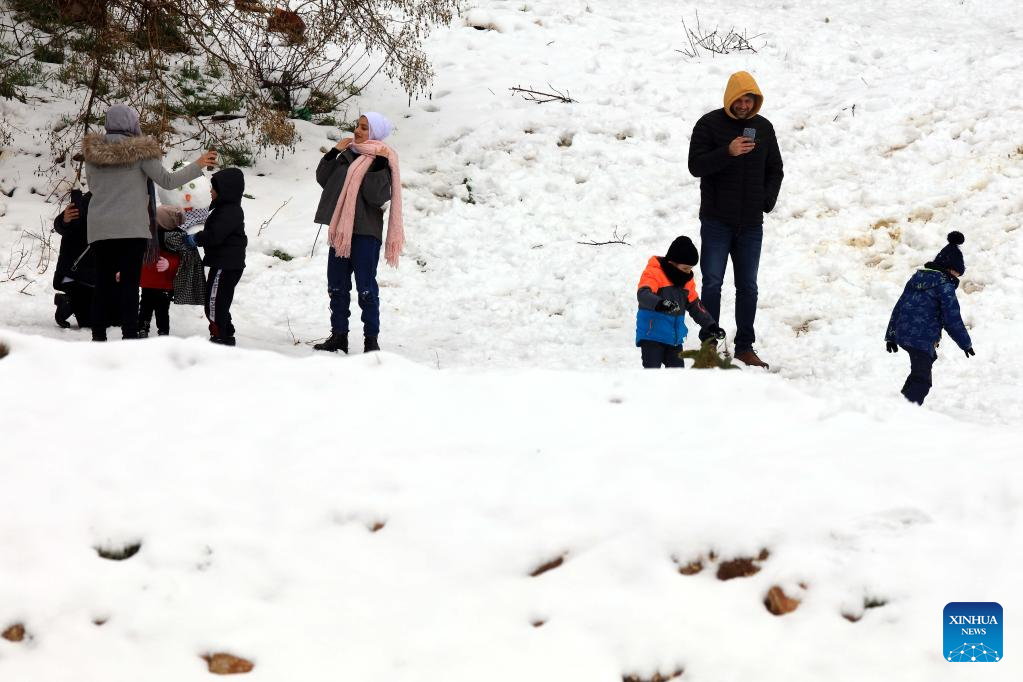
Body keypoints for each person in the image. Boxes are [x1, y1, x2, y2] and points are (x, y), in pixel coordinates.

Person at [82, 104, 216, 341]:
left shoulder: (92, 155)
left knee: (102, 284)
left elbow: (93, 188)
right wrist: (199, 164)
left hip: (100, 228)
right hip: (131, 229)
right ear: (131, 124)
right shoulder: (140, 152)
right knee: (130, 284)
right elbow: (167, 180)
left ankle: (98, 336)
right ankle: (130, 335)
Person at [688, 71, 784, 369]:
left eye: (749, 100)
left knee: (748, 287)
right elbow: (696, 166)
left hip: (751, 224)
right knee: (712, 284)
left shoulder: (763, 128)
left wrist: (765, 201)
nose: (743, 105)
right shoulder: (709, 124)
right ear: (730, 98)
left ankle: (744, 347)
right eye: (739, 99)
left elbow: (775, 169)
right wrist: (727, 152)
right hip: (717, 221)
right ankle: (709, 346)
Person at [312, 112, 404, 354]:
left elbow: (377, 197)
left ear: (375, 132)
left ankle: (370, 342)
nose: (358, 131)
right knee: (337, 286)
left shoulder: (383, 159)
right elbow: (324, 179)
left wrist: (380, 165)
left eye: (364, 127)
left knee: (365, 288)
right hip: (341, 232)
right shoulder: (348, 155)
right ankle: (339, 336)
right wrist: (334, 152)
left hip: (365, 233)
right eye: (357, 126)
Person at [885, 232, 974, 405]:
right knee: (923, 381)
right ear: (950, 268)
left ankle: (902, 404)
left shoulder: (916, 278)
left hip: (904, 335)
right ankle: (905, 412)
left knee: (922, 368)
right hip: (921, 338)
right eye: (957, 273)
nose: (957, 277)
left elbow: (899, 307)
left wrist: (891, 336)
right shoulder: (945, 286)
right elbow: (952, 319)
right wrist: (966, 344)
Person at [636, 236, 725, 368]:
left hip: (674, 341)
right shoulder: (654, 273)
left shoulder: (686, 281)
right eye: (685, 269)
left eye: (690, 269)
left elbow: (696, 306)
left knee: (678, 375)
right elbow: (643, 294)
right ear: (672, 263)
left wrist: (711, 326)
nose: (688, 272)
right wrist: (661, 304)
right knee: (652, 374)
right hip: (652, 337)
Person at [185, 167, 247, 346]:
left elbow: (214, 235)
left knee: (214, 303)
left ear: (225, 191)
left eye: (213, 189)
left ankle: (220, 335)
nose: (210, 192)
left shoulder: (229, 211)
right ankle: (225, 330)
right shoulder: (224, 208)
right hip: (226, 264)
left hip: (225, 265)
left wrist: (195, 239)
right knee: (220, 299)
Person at [52, 189, 97, 329]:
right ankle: (69, 302)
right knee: (93, 323)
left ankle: (74, 302)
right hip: (76, 276)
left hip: (95, 279)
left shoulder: (117, 202)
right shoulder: (86, 201)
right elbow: (62, 225)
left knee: (116, 320)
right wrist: (65, 220)